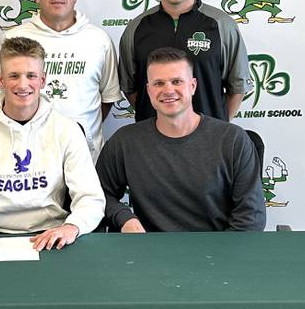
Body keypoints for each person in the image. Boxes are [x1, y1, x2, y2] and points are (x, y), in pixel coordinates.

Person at [0, 37, 105, 252]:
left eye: (31, 76)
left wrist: (72, 227)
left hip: (52, 236)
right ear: (1, 80)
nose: (23, 84)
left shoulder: (66, 129)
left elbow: (90, 198)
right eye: (14, 76)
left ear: (43, 80)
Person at [97, 47, 265, 232]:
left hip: (218, 253)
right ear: (148, 90)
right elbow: (98, 194)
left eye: (176, 81)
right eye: (158, 83)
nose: (168, 90)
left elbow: (251, 218)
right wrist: (124, 218)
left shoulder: (233, 140)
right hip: (149, 252)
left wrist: (219, 257)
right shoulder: (125, 142)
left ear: (192, 86)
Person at [0, 0, 121, 161]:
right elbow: (2, 98)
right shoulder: (13, 38)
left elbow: (108, 98)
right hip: (30, 158)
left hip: (86, 157)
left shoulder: (98, 40)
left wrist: (82, 132)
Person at [119, 0, 249, 123]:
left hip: (208, 141)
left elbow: (238, 87)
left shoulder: (222, 25)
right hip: (151, 142)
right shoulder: (136, 28)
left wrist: (217, 127)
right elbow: (130, 88)